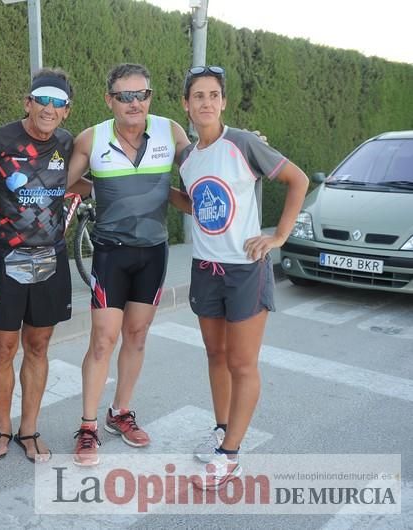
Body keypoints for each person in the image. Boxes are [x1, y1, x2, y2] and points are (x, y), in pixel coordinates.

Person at [177, 65, 307, 488]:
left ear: (224, 102)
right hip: (204, 269)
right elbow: (200, 203)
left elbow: (297, 180)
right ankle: (222, 431)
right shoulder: (187, 158)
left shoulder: (243, 143)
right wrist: (156, 191)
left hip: (246, 270)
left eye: (214, 95)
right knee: (215, 356)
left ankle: (230, 454)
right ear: (186, 105)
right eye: (198, 96)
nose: (207, 103)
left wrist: (279, 236)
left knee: (241, 362)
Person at [66, 63, 192, 466]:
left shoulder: (171, 132)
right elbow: (65, 183)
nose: (135, 103)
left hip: (153, 251)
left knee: (136, 336)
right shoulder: (92, 138)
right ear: (110, 99)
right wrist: (103, 190)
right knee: (103, 339)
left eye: (142, 95)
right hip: (110, 252)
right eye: (125, 96)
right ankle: (87, 427)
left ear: (150, 97)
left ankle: (119, 412)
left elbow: (200, 175)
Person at [0, 68, 75, 462]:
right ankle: (2, 426)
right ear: (28, 102)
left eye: (58, 103)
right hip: (4, 258)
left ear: (66, 111)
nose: (49, 109)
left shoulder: (68, 143)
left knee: (38, 345)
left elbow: (87, 174)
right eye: (43, 100)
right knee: (3, 348)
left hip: (51, 258)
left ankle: (28, 429)